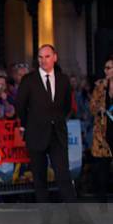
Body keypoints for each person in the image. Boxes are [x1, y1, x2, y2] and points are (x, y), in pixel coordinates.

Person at [16, 44, 76, 202]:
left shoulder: (63, 80)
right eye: (40, 57)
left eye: (47, 56)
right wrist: (28, 125)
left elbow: (67, 106)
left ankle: (75, 216)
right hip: (36, 135)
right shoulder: (28, 80)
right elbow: (20, 106)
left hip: (58, 135)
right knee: (39, 179)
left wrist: (56, 119)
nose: (44, 60)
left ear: (55, 57)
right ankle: (46, 220)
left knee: (63, 176)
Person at [89, 57, 113, 205]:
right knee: (102, 168)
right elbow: (92, 106)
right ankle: (102, 203)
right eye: (105, 68)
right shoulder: (99, 86)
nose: (106, 70)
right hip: (103, 131)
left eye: (109, 68)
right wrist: (99, 109)